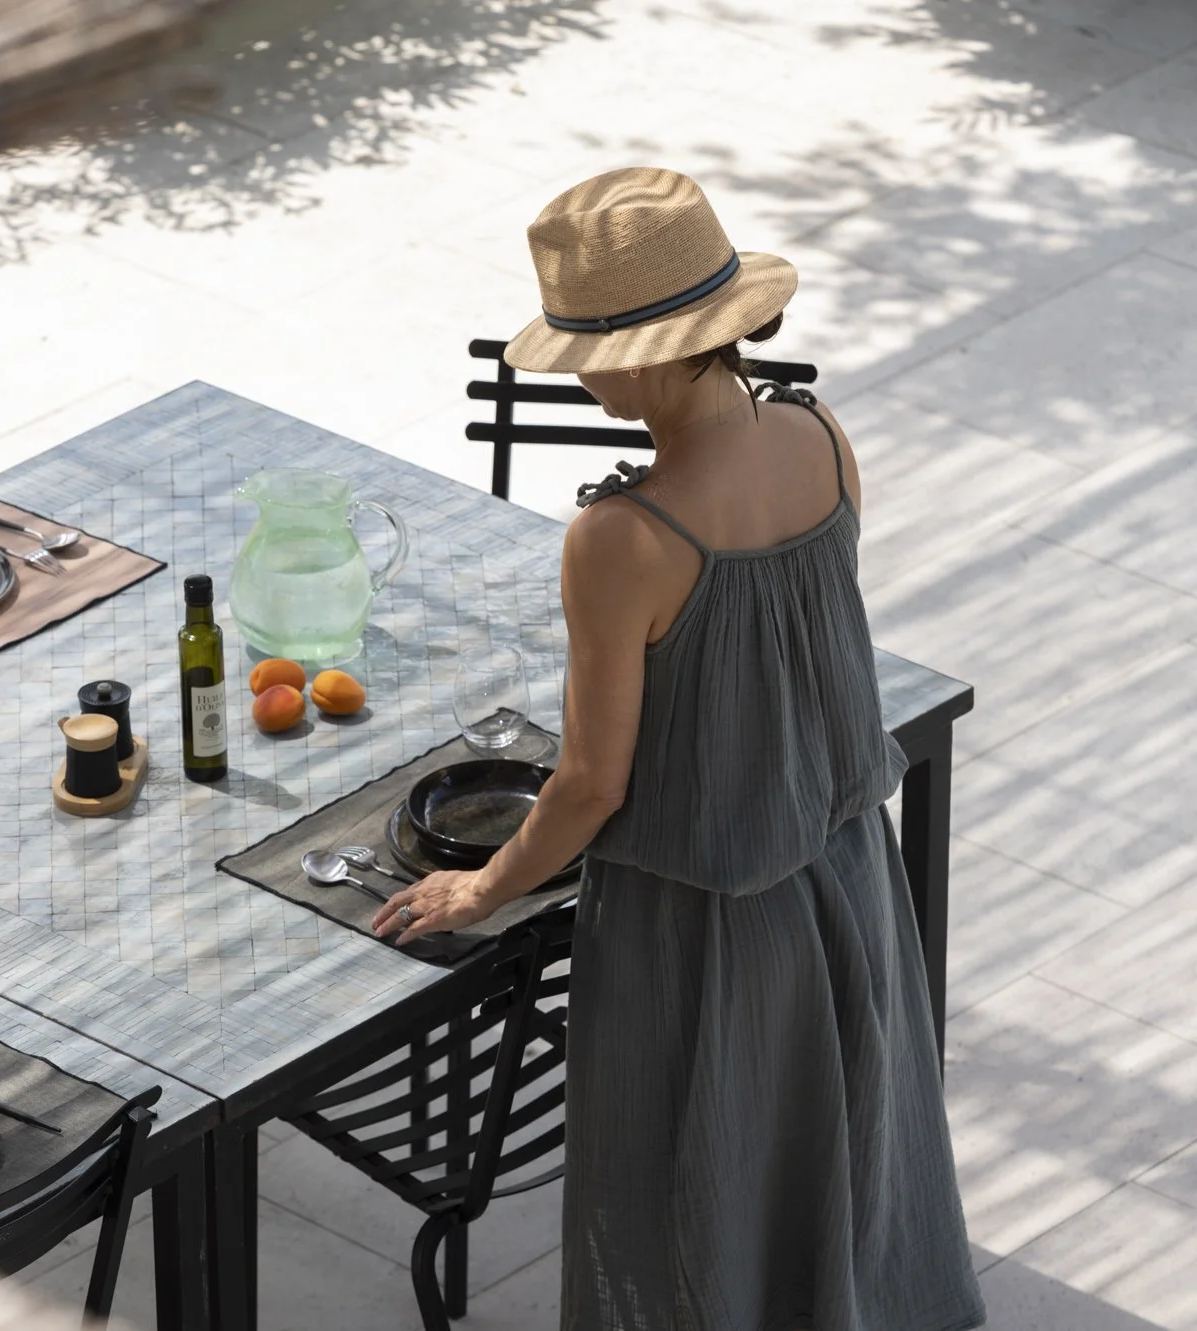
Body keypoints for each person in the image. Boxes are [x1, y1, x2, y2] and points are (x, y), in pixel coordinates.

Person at [371, 167, 985, 1331]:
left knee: (686, 1205)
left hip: (695, 925)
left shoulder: (622, 537)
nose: (579, 375)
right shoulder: (818, 435)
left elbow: (591, 782)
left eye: (583, 352)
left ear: (651, 351)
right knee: (830, 1171)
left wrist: (484, 886)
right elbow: (779, 666)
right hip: (845, 879)